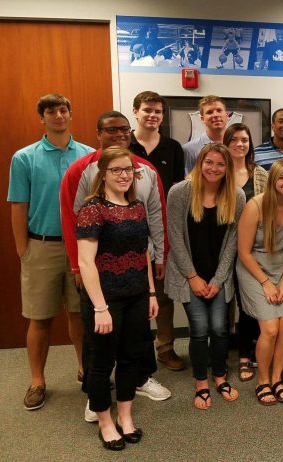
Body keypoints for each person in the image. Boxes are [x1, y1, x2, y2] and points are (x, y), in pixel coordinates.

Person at [61, 111, 171, 422]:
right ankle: (96, 399)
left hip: (137, 286)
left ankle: (137, 387)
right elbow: (75, 228)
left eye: (124, 129)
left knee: (132, 348)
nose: (120, 134)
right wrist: (80, 271)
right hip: (102, 288)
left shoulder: (143, 182)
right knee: (100, 351)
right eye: (112, 129)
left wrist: (155, 271)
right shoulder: (84, 183)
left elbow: (152, 228)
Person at [8, 94, 92, 411]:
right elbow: (18, 205)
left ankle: (86, 371)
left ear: (70, 115)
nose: (58, 115)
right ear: (41, 118)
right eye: (51, 111)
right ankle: (37, 381)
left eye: (63, 110)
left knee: (80, 314)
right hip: (40, 247)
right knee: (39, 318)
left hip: (81, 248)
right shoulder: (24, 158)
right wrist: (23, 250)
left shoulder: (88, 155)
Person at [76, 146, 158, 450]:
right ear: (103, 173)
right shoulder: (93, 209)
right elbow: (86, 262)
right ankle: (105, 422)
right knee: (101, 363)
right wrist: (100, 308)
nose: (124, 175)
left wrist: (150, 291)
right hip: (104, 299)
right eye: (116, 170)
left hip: (137, 295)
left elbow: (143, 254)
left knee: (130, 358)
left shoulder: (136, 206)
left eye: (128, 170)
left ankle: (125, 416)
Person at [165, 143, 245, 410]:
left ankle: (220, 376)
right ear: (200, 163)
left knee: (221, 329)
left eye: (220, 164)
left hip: (219, 277)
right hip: (190, 276)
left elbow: (233, 241)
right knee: (199, 330)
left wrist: (218, 279)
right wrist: (192, 277)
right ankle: (201, 382)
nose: (214, 168)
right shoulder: (180, 192)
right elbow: (175, 237)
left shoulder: (236, 195)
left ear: (227, 168)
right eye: (209, 162)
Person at [237, 159, 283, 405]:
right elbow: (243, 252)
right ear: (273, 181)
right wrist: (266, 282)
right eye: (282, 178)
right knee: (271, 328)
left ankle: (277, 377)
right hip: (255, 268)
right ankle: (262, 380)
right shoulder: (256, 205)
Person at [129, 91, 186, 372]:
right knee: (133, 296)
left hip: (162, 232)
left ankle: (165, 347)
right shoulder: (122, 145)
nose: (153, 116)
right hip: (126, 232)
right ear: (135, 111)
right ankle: (135, 351)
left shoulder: (173, 148)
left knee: (163, 296)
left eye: (158, 112)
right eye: (147, 110)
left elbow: (177, 194)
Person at [223, 123, 268, 381]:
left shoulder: (260, 173)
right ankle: (221, 351)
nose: (240, 144)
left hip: (254, 248)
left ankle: (245, 355)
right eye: (235, 139)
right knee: (225, 302)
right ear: (226, 143)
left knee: (248, 302)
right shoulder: (218, 171)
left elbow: (273, 203)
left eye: (245, 140)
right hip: (225, 246)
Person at [182, 95, 230, 174]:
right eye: (209, 112)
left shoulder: (236, 146)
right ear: (202, 119)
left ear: (227, 116)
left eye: (219, 110)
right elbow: (187, 182)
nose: (215, 115)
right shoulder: (189, 150)